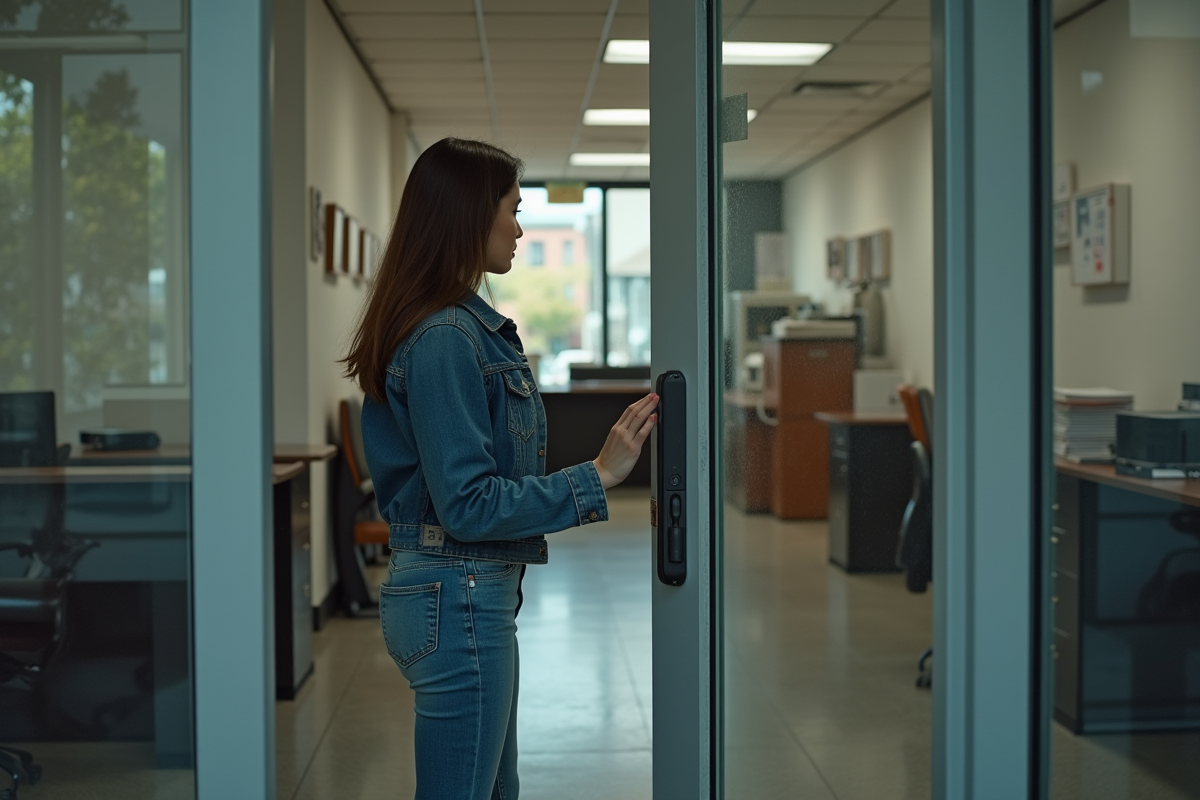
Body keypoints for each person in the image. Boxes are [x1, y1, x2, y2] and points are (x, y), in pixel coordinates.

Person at [342, 138, 658, 800]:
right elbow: (469, 504)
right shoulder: (447, 339)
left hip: (458, 592)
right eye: (511, 210)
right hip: (456, 594)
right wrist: (595, 476)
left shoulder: (452, 329)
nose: (519, 228)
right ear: (467, 215)